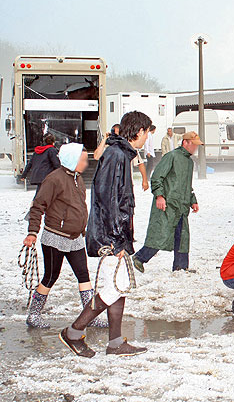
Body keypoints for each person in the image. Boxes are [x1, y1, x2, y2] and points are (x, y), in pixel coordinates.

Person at [59, 111, 151, 358]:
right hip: (111, 237)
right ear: (139, 131)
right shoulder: (116, 155)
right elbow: (108, 200)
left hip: (115, 235)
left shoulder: (120, 154)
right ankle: (74, 332)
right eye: (146, 133)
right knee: (112, 289)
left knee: (118, 287)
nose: (146, 138)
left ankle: (115, 342)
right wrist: (117, 240)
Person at [22, 143, 106, 329]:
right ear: (72, 160)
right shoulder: (54, 179)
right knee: (51, 276)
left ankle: (89, 316)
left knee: (83, 275)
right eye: (82, 160)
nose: (85, 163)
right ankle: (33, 314)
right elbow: (37, 206)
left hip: (75, 238)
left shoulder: (78, 179)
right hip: (55, 237)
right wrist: (32, 232)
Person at [132, 131, 203, 273]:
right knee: (161, 234)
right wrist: (159, 196)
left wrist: (192, 201)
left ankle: (181, 267)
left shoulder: (189, 162)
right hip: (168, 204)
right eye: (194, 145)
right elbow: (157, 177)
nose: (196, 148)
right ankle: (139, 258)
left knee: (182, 236)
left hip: (181, 206)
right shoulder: (171, 157)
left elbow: (187, 185)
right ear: (185, 142)